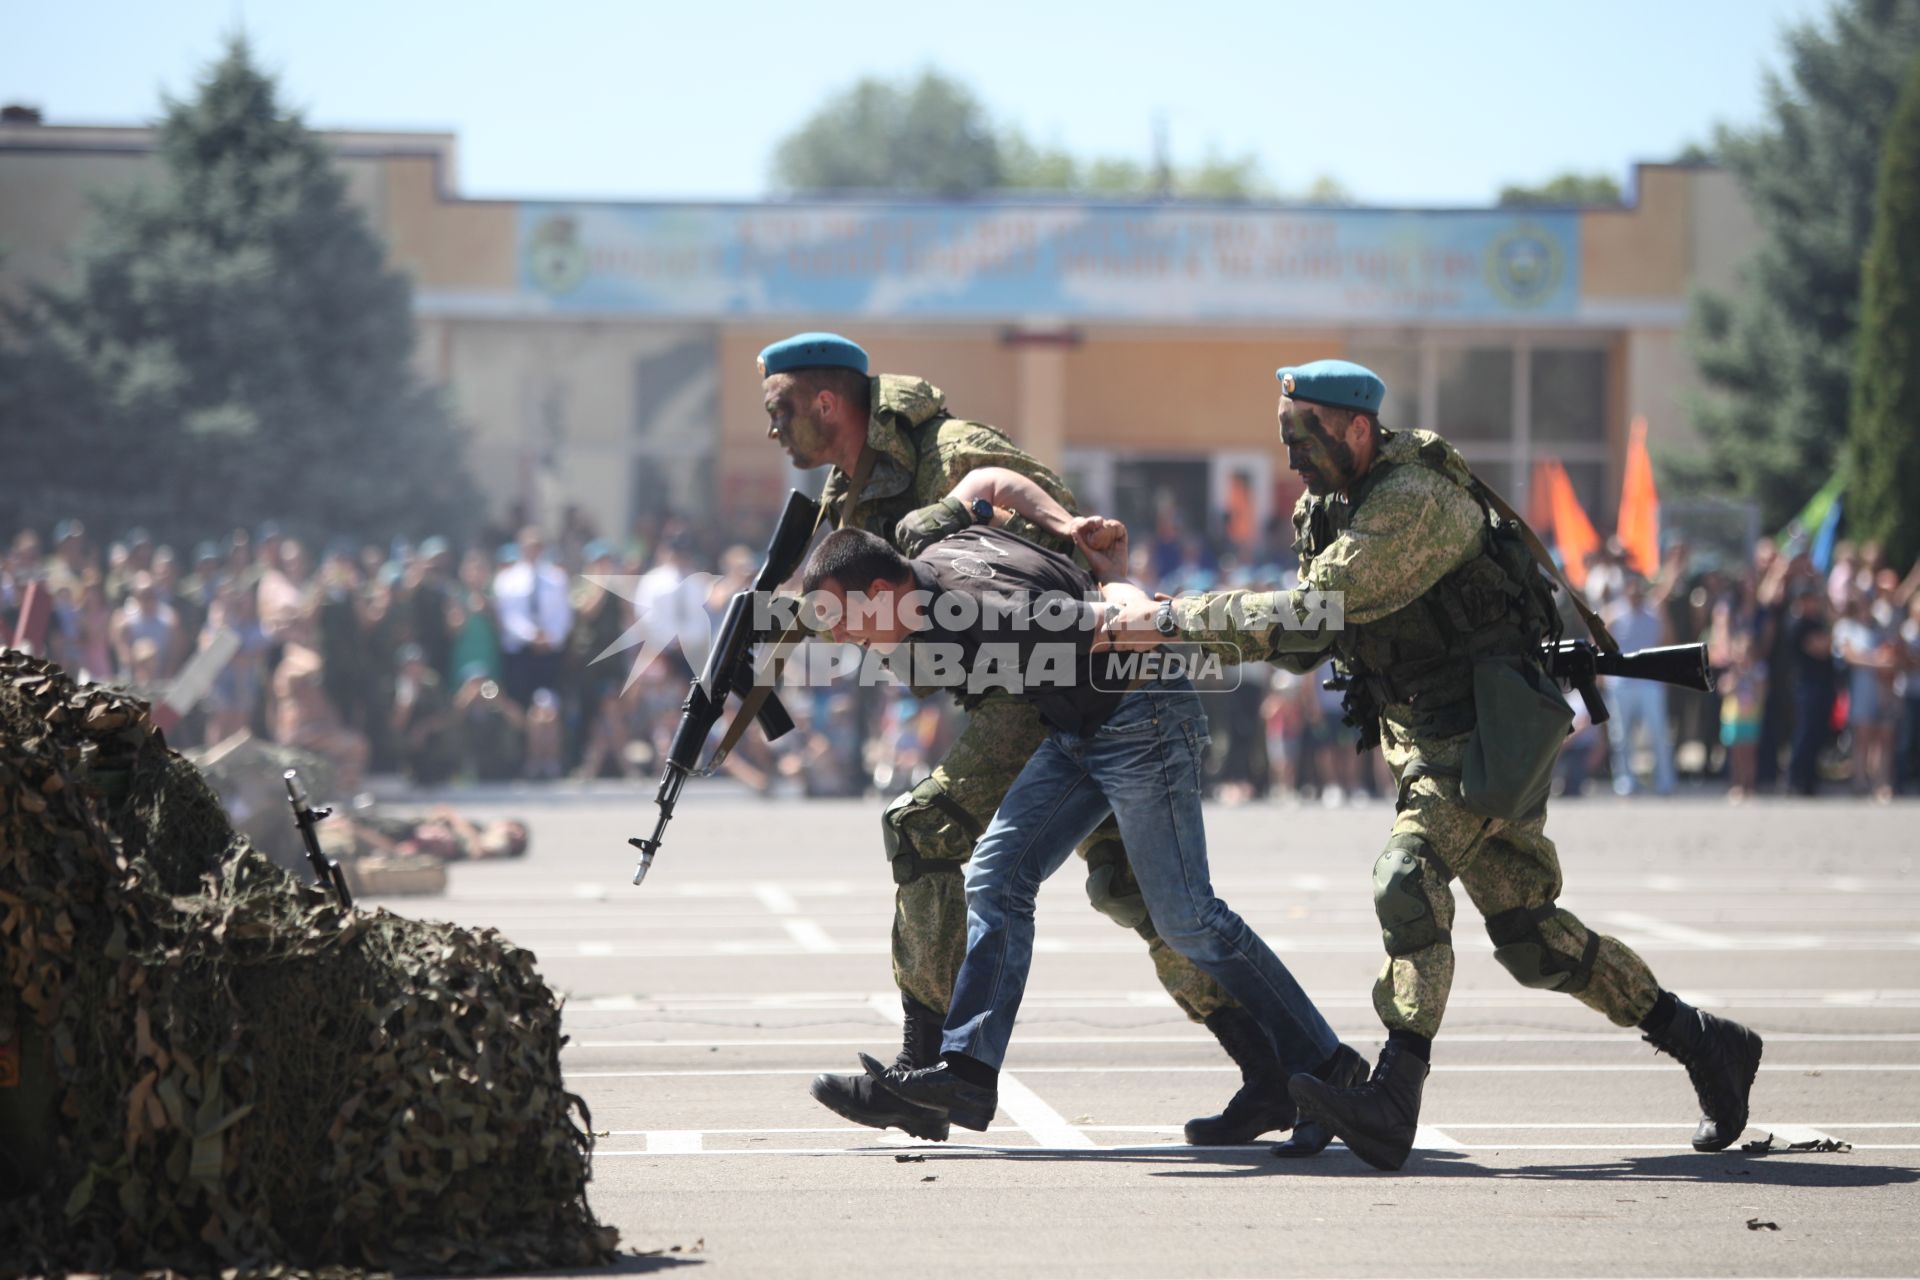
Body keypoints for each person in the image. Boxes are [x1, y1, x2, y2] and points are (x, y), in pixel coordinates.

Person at [1105, 358, 1764, 1170]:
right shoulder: (1329, 503)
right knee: (1533, 939)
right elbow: (1312, 640)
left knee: (1407, 880)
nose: (1292, 459)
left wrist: (1167, 617)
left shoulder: (1415, 501)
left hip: (1485, 734)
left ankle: (1394, 1094)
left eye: (1304, 438)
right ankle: (1707, 1044)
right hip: (1426, 732)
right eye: (1285, 439)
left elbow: (1317, 609)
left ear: (1356, 428)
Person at [756, 332, 1278, 1147]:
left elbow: (1059, 537)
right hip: (1036, 690)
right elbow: (846, 594)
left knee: (924, 828)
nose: (771, 428)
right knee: (1138, 891)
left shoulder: (947, 447)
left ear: (828, 402)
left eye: (779, 409)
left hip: (1053, 683)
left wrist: (1111, 599)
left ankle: (928, 1068)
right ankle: (1276, 1066)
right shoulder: (847, 494)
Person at [798, 523, 1364, 1143]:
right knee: (998, 875)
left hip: (1140, 717)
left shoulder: (986, 611)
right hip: (1076, 730)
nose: (840, 635)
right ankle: (966, 1071)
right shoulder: (942, 549)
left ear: (880, 590)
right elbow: (995, 484)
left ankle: (1331, 1069)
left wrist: (1130, 592)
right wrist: (1075, 532)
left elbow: (1118, 625)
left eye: (844, 617)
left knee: (1186, 917)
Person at [1601, 574, 1677, 795]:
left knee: (1658, 732)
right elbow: (1599, 643)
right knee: (1621, 735)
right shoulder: (1613, 615)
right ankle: (1625, 781)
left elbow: (1668, 643)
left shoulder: (1655, 614)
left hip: (1649, 681)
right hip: (1621, 683)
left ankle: (1665, 780)